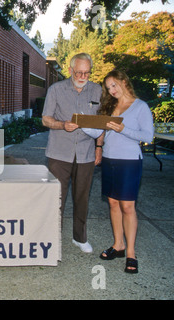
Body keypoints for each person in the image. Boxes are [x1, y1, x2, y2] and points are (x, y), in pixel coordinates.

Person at [82, 70, 154, 273]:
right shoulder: (110, 106)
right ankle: (118, 245)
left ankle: (131, 253)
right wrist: (81, 124)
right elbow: (99, 132)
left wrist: (124, 130)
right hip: (109, 158)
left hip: (130, 161)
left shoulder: (140, 107)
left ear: (124, 82)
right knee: (113, 203)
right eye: (108, 88)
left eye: (114, 85)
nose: (112, 91)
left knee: (128, 206)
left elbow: (148, 135)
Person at [42, 53, 104, 253]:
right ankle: (52, 240)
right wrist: (62, 125)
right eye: (79, 72)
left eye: (87, 73)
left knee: (82, 198)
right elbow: (45, 119)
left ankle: (80, 238)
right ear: (70, 70)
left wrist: (99, 147)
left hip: (86, 153)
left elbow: (102, 124)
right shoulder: (56, 89)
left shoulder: (97, 91)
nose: (83, 76)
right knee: (56, 198)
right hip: (59, 153)